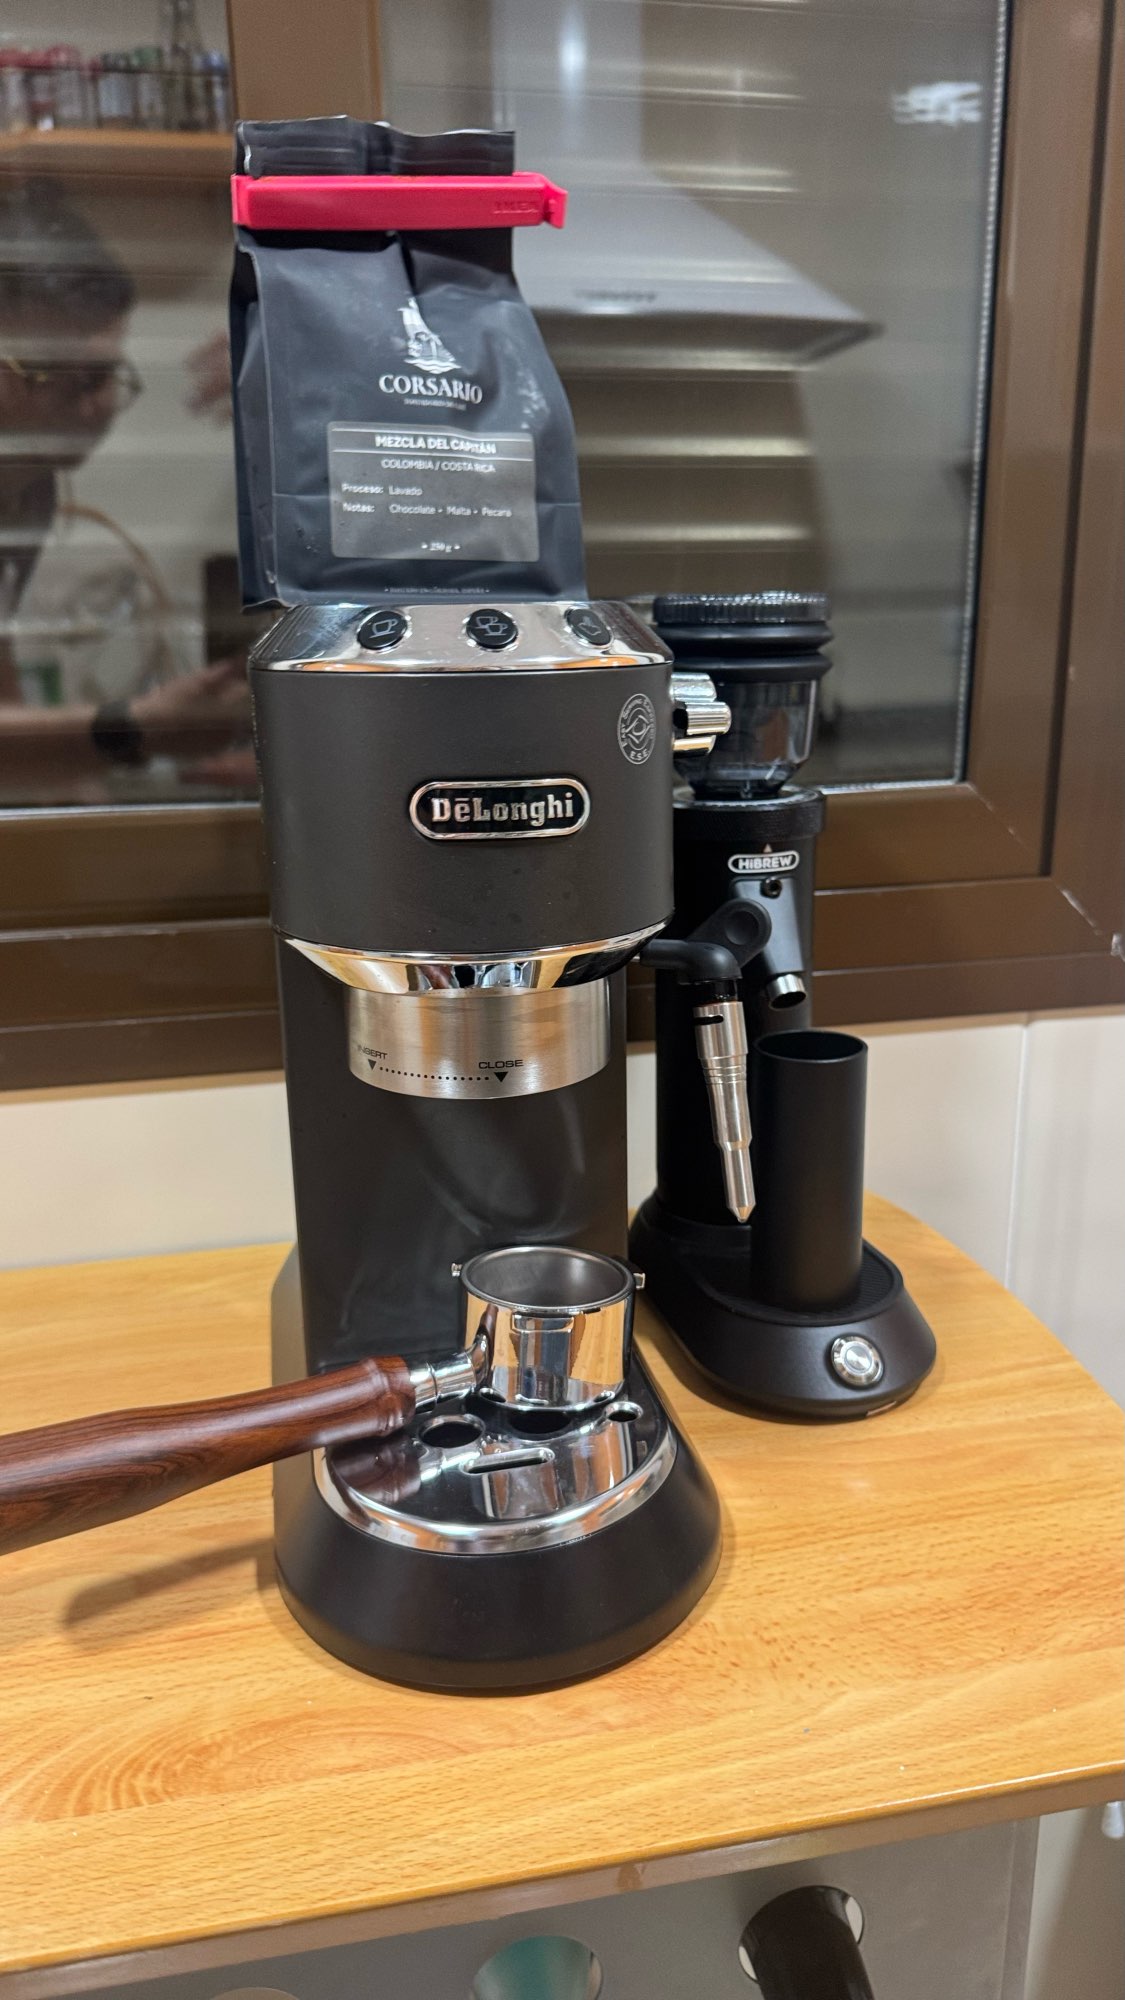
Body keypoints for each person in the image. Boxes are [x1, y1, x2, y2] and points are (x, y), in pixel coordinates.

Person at [0, 178, 251, 801]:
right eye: (65, 376)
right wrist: (138, 729)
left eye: (106, 374)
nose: (97, 404)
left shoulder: (27, 481)